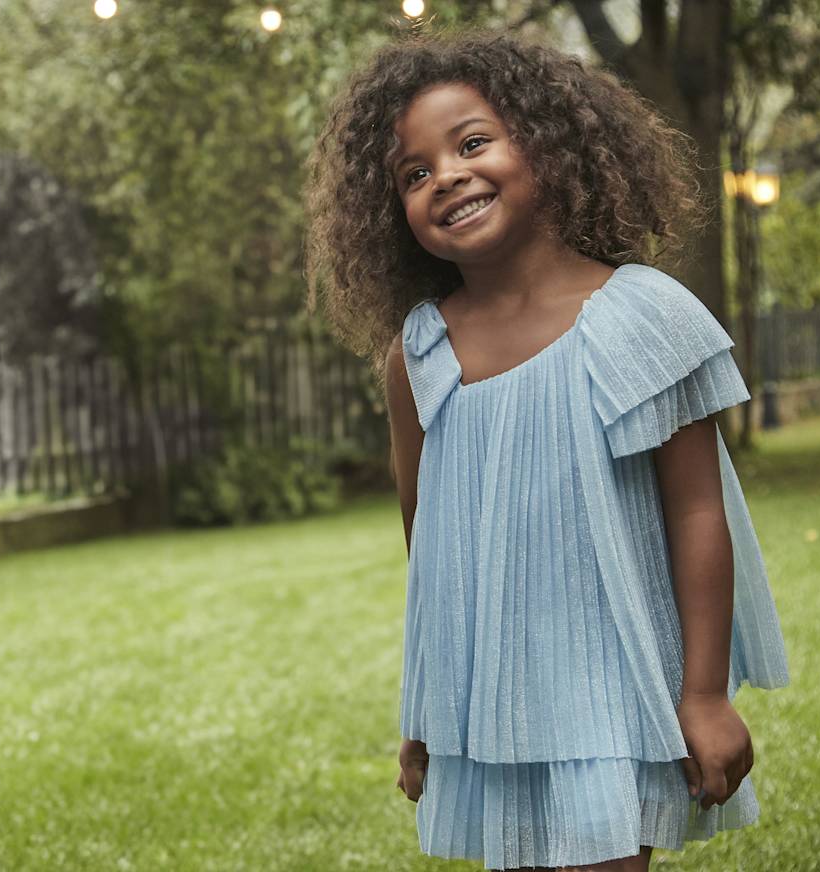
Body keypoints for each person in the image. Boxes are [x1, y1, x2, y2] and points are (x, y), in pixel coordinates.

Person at [302, 26, 791, 872]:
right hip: (491, 698)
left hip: (608, 687)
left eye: (472, 142)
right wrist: (429, 713)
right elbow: (430, 543)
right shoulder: (417, 354)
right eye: (414, 174)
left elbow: (699, 507)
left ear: (547, 144)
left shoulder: (643, 316)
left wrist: (704, 694)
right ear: (395, 215)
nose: (445, 175)